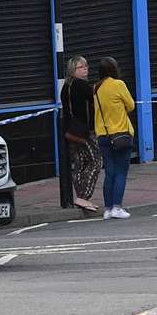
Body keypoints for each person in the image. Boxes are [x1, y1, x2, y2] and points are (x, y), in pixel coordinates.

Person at [93, 56, 136, 220]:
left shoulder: (96, 88)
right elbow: (130, 105)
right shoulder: (118, 85)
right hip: (120, 135)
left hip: (103, 135)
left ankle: (108, 209)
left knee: (109, 172)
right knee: (121, 172)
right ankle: (117, 207)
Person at [60, 54, 101, 214]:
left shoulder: (66, 87)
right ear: (73, 70)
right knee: (96, 162)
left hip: (71, 131)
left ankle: (82, 198)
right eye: (81, 67)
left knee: (79, 164)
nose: (86, 69)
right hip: (86, 131)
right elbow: (96, 98)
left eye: (86, 66)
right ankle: (84, 197)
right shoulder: (81, 85)